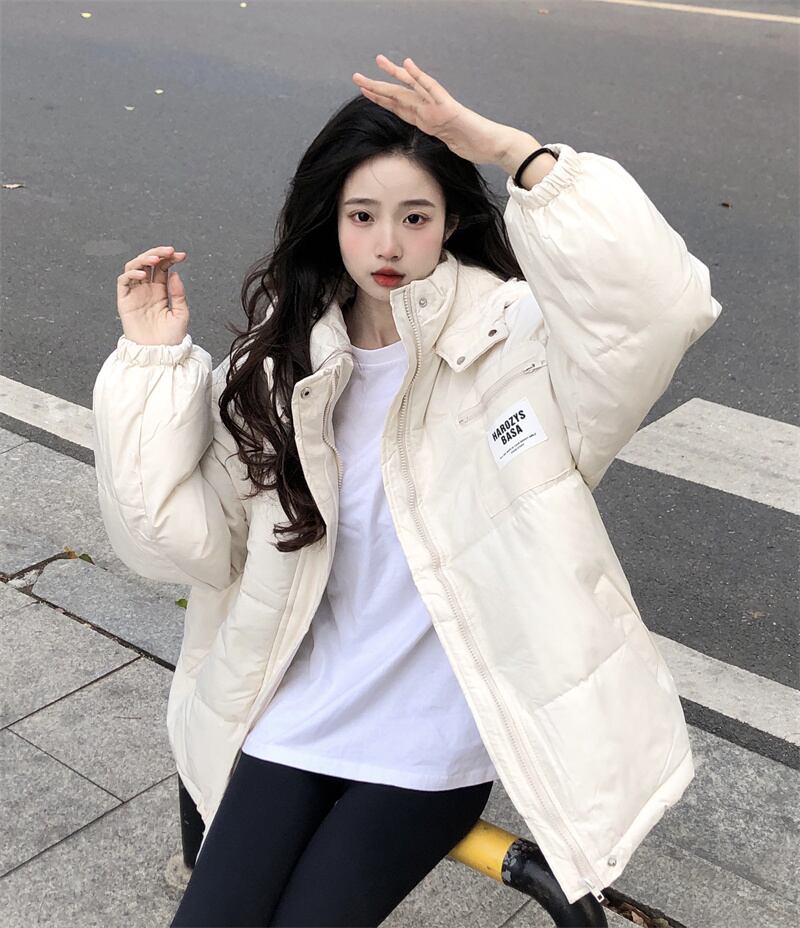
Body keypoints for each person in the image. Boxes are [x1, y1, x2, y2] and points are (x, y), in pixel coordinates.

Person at [92, 55, 722, 927]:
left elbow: (658, 310)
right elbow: (185, 545)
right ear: (330, 222)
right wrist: (152, 362)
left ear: (450, 221)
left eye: (414, 217)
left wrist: (513, 152)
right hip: (297, 705)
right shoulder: (281, 363)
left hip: (430, 737)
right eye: (363, 216)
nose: (387, 244)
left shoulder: (516, 342)